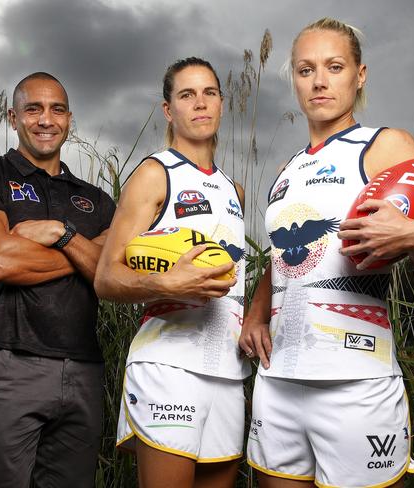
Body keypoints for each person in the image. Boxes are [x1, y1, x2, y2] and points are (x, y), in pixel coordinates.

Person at [239, 18, 414, 488]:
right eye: (305, 69)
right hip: (278, 381)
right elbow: (286, 257)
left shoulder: (388, 145)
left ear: (359, 74)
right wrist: (255, 316)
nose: (319, 81)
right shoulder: (287, 169)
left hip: (355, 381)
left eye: (334, 66)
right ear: (295, 80)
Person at [0, 72, 115, 487]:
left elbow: (112, 277)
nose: (46, 119)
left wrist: (61, 233)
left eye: (57, 109)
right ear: (13, 117)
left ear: (69, 118)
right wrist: (85, 252)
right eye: (33, 109)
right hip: (9, 365)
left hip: (84, 370)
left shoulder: (96, 200)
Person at [94, 57, 249, 488]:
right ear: (168, 109)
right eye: (186, 95)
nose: (200, 103)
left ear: (221, 103)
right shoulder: (153, 173)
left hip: (227, 367)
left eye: (209, 93)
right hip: (168, 364)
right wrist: (165, 283)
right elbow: (106, 277)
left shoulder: (234, 189)